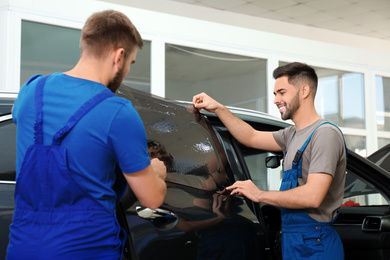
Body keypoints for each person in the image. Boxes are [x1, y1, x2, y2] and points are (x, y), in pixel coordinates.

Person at [7, 10, 167, 260]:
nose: (126, 71)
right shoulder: (117, 112)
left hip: (23, 249)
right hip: (87, 250)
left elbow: (27, 125)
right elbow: (152, 198)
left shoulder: (30, 91)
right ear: (119, 56)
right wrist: (155, 172)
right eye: (130, 63)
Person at [192, 62, 346, 259]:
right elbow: (251, 137)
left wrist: (259, 194)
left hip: (316, 244)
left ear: (304, 90)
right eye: (275, 94)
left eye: (281, 92)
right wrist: (218, 108)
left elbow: (313, 196)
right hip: (294, 242)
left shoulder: (324, 134)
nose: (276, 100)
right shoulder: (291, 135)